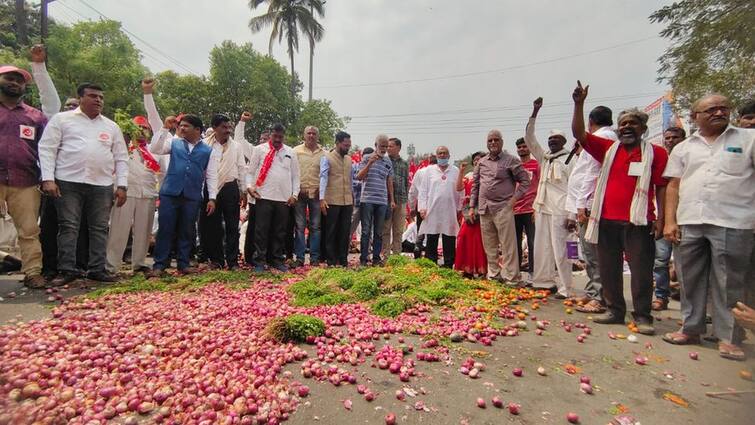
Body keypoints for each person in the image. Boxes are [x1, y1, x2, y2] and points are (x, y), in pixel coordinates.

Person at [571, 80, 668, 335]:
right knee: (609, 267)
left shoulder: (656, 153)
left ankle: (643, 316)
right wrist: (579, 104)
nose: (626, 127)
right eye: (623, 123)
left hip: (639, 221)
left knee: (641, 270)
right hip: (606, 219)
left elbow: (661, 187)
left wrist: (663, 219)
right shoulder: (608, 149)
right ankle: (615, 310)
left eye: (632, 124)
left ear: (643, 128)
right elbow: (580, 134)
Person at [662, 94, 754, 361]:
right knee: (689, 277)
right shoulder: (684, 148)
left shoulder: (748, 140)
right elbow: (674, 186)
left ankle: (729, 337)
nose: (718, 112)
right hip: (690, 220)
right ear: (695, 116)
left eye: (723, 108)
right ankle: (691, 328)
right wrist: (670, 221)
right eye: (710, 109)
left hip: (734, 221)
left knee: (729, 282)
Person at [39, 83, 129, 285]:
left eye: (100, 97)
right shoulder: (62, 120)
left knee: (99, 228)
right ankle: (67, 269)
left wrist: (122, 185)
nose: (98, 100)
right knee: (68, 227)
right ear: (80, 98)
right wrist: (48, 179)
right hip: (68, 181)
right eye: (93, 96)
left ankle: (97, 269)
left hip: (102, 184)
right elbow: (47, 149)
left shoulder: (111, 126)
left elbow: (121, 158)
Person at [0, 49, 54, 288]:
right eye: (9, 78)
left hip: (26, 179)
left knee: (29, 230)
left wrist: (47, 177)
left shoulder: (35, 117)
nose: (14, 83)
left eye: (19, 80)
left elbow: (46, 149)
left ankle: (33, 272)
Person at [147, 115, 219, 276]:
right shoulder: (173, 143)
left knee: (187, 230)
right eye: (180, 126)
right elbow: (155, 149)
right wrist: (165, 128)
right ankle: (159, 265)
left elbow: (211, 175)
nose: (182, 128)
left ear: (198, 130)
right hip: (170, 193)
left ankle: (183, 263)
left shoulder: (209, 151)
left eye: (186, 126)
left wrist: (212, 198)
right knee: (165, 229)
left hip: (192, 196)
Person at [566, 105, 617, 313]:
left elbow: (592, 174)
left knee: (594, 254)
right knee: (590, 253)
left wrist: (581, 205)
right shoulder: (606, 137)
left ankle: (600, 297)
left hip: (589, 205)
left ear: (590, 122)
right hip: (587, 204)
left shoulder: (602, 139)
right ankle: (593, 290)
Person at [524, 97, 576, 298]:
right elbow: (529, 138)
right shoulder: (544, 157)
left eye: (556, 139)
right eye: (550, 139)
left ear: (563, 142)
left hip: (561, 209)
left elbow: (574, 187)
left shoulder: (569, 159)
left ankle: (565, 288)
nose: (552, 141)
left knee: (562, 250)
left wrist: (571, 214)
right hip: (543, 207)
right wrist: (535, 112)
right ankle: (544, 282)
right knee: (541, 247)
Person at [470, 130, 531, 284]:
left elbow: (525, 182)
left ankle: (512, 277)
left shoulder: (511, 160)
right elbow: (475, 186)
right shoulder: (482, 162)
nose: (493, 143)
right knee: (490, 246)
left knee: (508, 245)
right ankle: (494, 275)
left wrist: (514, 200)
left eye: (496, 140)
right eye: (490, 140)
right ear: (486, 143)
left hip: (503, 208)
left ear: (502, 142)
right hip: (485, 209)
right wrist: (472, 207)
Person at [104, 114, 160, 275]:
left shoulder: (153, 150)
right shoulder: (122, 149)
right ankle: (111, 265)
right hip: (126, 192)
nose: (142, 132)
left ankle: (139, 263)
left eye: (145, 129)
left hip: (148, 193)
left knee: (144, 231)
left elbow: (161, 173)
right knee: (118, 229)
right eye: (138, 128)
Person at [247, 124, 300, 272]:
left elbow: (296, 176)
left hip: (283, 198)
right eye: (275, 136)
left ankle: (277, 260)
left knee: (280, 231)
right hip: (263, 196)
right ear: (271, 135)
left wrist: (295, 194)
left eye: (280, 137)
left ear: (284, 136)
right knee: (261, 231)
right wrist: (249, 187)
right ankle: (259, 261)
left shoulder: (290, 152)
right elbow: (250, 172)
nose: (277, 139)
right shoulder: (259, 150)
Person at [199, 114, 247, 270]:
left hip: (230, 188)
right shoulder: (205, 144)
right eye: (224, 127)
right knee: (213, 227)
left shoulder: (236, 146)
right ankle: (217, 260)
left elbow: (241, 168)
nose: (227, 130)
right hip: (210, 189)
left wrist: (243, 190)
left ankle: (232, 261)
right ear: (214, 128)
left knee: (233, 226)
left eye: (229, 127)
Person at [651, 126, 686, 311]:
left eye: (675, 137)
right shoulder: (661, 159)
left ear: (683, 138)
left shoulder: (689, 156)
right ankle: (661, 296)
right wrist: (661, 218)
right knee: (660, 260)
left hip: (687, 217)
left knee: (686, 264)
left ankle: (693, 305)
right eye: (668, 138)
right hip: (664, 218)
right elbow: (660, 189)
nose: (671, 140)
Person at [418, 146, 462, 267]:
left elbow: (460, 191)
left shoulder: (455, 171)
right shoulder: (429, 171)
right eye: (440, 153)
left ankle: (448, 264)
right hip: (432, 210)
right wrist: (422, 208)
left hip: (450, 210)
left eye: (444, 153)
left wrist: (459, 208)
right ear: (436, 156)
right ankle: (431, 265)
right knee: (432, 237)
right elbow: (423, 191)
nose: (442, 155)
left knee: (449, 237)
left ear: (449, 156)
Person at [356, 134, 395, 266]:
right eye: (381, 146)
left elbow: (389, 181)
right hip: (367, 199)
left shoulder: (388, 161)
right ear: (375, 145)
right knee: (366, 231)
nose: (384, 149)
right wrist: (370, 163)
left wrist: (392, 200)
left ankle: (376, 258)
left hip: (382, 201)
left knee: (379, 232)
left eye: (386, 146)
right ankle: (363, 258)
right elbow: (359, 177)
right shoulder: (367, 158)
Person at [319, 131, 354, 266]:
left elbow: (350, 180)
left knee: (345, 231)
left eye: (349, 145)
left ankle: (343, 259)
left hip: (347, 201)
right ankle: (331, 260)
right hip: (332, 200)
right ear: (338, 143)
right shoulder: (326, 158)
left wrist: (352, 197)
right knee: (331, 231)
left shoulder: (349, 159)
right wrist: (322, 198)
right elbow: (323, 178)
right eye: (345, 145)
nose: (348, 148)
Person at [292, 126, 324, 266]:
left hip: (316, 195)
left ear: (318, 136)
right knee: (299, 226)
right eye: (309, 133)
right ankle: (299, 258)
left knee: (316, 227)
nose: (311, 136)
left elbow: (325, 175)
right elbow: (291, 172)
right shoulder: (295, 151)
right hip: (300, 193)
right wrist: (295, 189)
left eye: (314, 133)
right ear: (304, 135)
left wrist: (321, 191)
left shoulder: (324, 153)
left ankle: (314, 258)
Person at [454, 151, 487, 276]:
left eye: (480, 159)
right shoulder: (469, 175)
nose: (477, 161)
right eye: (475, 160)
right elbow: (458, 188)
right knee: (463, 238)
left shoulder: (489, 175)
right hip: (468, 211)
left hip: (483, 210)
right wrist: (461, 171)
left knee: (480, 241)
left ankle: (481, 269)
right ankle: (466, 269)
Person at [513, 138, 539, 274]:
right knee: (515, 244)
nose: (522, 149)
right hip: (515, 210)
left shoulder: (536, 165)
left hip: (531, 209)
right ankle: (516, 273)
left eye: (524, 146)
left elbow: (541, 186)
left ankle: (532, 272)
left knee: (532, 242)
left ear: (529, 148)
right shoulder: (514, 166)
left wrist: (537, 207)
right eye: (519, 147)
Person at [382, 137, 409, 257]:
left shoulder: (404, 163)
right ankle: (386, 256)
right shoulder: (384, 161)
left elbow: (406, 182)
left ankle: (397, 256)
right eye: (387, 146)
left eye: (391, 146)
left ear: (398, 148)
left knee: (398, 230)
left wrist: (406, 199)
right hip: (386, 200)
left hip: (401, 200)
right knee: (386, 229)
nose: (388, 149)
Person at [408, 155, 436, 259]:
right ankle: (430, 254)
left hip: (421, 205)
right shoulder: (438, 173)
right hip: (434, 205)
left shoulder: (420, 172)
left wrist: (411, 207)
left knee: (421, 229)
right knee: (433, 232)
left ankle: (418, 247)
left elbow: (412, 191)